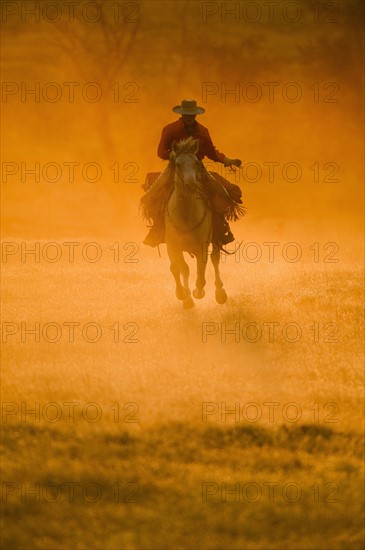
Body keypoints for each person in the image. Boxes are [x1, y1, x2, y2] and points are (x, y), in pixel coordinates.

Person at [142, 99, 243, 247]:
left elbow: (211, 152)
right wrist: (174, 156)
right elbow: (161, 151)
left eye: (192, 115)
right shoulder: (170, 129)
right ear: (182, 114)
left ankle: (220, 228)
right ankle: (157, 230)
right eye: (187, 115)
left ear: (195, 115)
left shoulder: (203, 131)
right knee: (152, 195)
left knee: (220, 191)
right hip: (175, 167)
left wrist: (227, 160)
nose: (190, 117)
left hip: (197, 167)